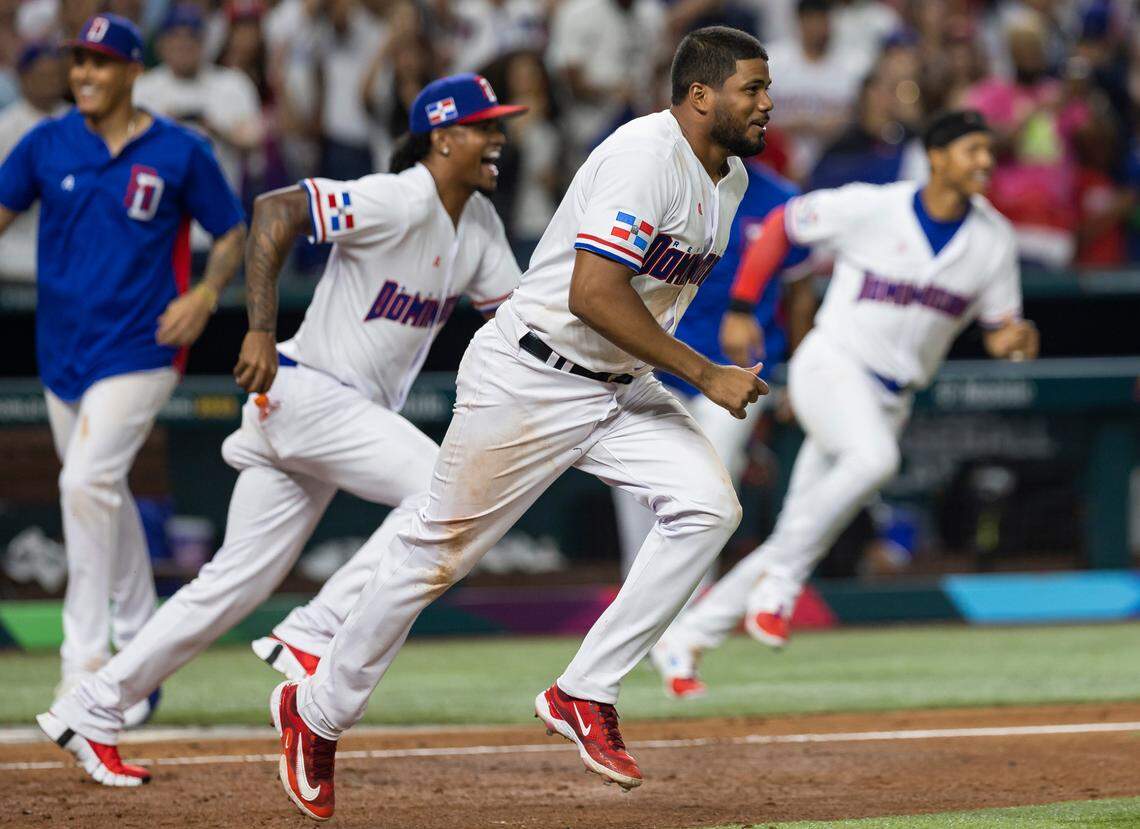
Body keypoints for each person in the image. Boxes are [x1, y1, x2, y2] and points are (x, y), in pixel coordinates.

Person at [268, 26, 771, 821]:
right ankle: (316, 711)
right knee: (432, 558)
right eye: (751, 88)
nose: (766, 102)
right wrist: (703, 371)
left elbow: (639, 303)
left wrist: (673, 368)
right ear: (701, 94)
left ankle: (584, 689)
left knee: (710, 504)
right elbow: (593, 294)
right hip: (533, 376)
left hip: (616, 384)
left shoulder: (731, 178)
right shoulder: (646, 155)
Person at [34, 71, 525, 787]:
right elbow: (273, 209)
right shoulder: (396, 195)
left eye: (498, 124)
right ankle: (315, 630)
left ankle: (91, 706)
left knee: (227, 586)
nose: (498, 138)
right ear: (443, 137)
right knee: (442, 488)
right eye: (484, 126)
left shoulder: (478, 226)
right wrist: (259, 329)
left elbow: (516, 324)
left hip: (329, 414)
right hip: (306, 392)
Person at [655, 110, 1040, 686]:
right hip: (832, 365)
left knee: (804, 524)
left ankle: (687, 637)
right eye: (973, 150)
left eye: (989, 152)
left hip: (892, 395)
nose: (985, 162)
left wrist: (1014, 340)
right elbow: (785, 224)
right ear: (937, 157)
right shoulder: (875, 206)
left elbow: (1001, 328)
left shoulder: (993, 239)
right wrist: (741, 307)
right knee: (874, 460)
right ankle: (781, 586)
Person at [0, 13, 246, 727]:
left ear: (133, 71)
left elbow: (230, 232)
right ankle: (143, 651)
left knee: (84, 480)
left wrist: (204, 293)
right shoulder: (46, 142)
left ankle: (83, 670)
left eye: (100, 64)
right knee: (102, 491)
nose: (84, 74)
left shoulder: (179, 149)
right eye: (79, 62)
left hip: (144, 345)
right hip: (63, 353)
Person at [609, 156, 812, 698]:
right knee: (642, 508)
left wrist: (794, 368)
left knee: (707, 495)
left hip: (735, 376)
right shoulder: (669, 180)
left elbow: (797, 295)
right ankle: (645, 637)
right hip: (659, 364)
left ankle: (679, 638)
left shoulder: (779, 199)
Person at [0, 42, 67, 283]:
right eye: (42, 75)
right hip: (13, 247)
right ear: (24, 77)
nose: (49, 81)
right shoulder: (5, 126)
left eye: (54, 75)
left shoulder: (79, 121)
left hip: (67, 248)